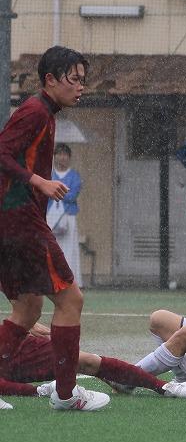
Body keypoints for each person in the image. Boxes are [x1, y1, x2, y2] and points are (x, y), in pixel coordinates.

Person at [0, 45, 109, 410]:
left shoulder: (44, 112)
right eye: (73, 79)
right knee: (71, 299)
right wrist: (39, 181)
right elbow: (1, 152)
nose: (80, 87)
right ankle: (65, 395)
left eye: (83, 80)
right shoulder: (34, 111)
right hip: (20, 221)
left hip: (12, 221)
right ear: (49, 79)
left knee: (28, 309)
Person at [0, 322, 186, 400]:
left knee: (85, 361)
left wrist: (24, 321)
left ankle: (162, 386)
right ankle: (44, 391)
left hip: (7, 339)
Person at [47, 143, 83, 285]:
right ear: (54, 156)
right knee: (50, 248)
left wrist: (55, 191)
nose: (62, 157)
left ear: (69, 157)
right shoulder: (48, 174)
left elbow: (72, 195)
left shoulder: (74, 176)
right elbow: (44, 193)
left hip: (68, 215)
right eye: (59, 154)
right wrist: (61, 191)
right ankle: (51, 279)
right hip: (50, 215)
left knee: (68, 249)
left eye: (65, 154)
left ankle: (69, 281)